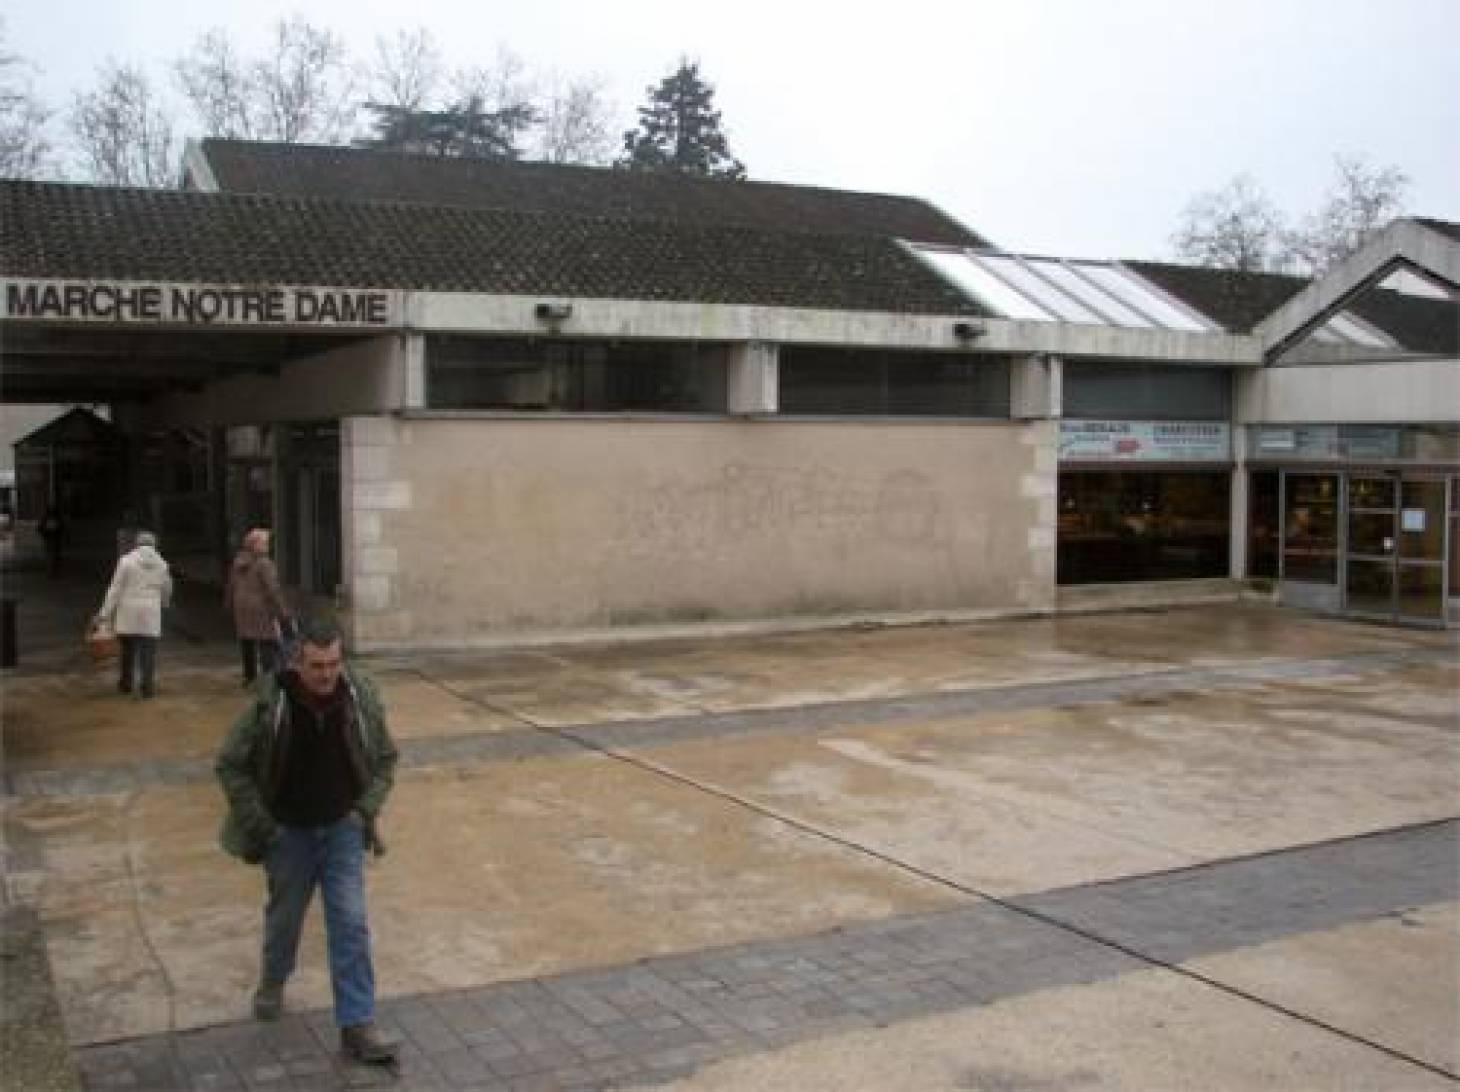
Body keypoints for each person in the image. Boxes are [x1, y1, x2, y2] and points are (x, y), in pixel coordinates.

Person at [214, 617, 400, 1065]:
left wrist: (362, 812)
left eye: (334, 663)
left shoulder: (360, 699)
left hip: (341, 830)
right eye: (317, 665)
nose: (326, 675)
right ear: (297, 662)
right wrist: (264, 827)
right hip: (288, 834)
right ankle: (273, 980)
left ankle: (357, 1023)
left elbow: (386, 759)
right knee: (285, 920)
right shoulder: (268, 703)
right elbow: (230, 765)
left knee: (351, 923)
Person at [96, 530, 173, 698]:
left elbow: (115, 589)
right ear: (154, 544)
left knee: (127, 651)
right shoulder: (162, 564)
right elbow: (167, 588)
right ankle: (147, 688)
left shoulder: (126, 562)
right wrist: (165, 604)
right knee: (148, 652)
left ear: (137, 544)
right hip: (150, 613)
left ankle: (126, 684)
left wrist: (104, 613)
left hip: (128, 612)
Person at [225, 528, 290, 687]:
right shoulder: (264, 563)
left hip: (241, 606)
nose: (268, 545)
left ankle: (249, 677)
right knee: (267, 640)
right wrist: (283, 611)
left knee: (246, 641)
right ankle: (269, 679)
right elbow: (272, 588)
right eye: (265, 542)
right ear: (256, 545)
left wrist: (228, 604)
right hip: (260, 607)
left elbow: (231, 584)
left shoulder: (238, 561)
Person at [37, 504, 64, 578]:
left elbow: (40, 528)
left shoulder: (47, 519)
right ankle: (52, 572)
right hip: (52, 540)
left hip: (52, 540)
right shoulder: (55, 519)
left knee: (51, 556)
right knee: (53, 556)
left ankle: (52, 572)